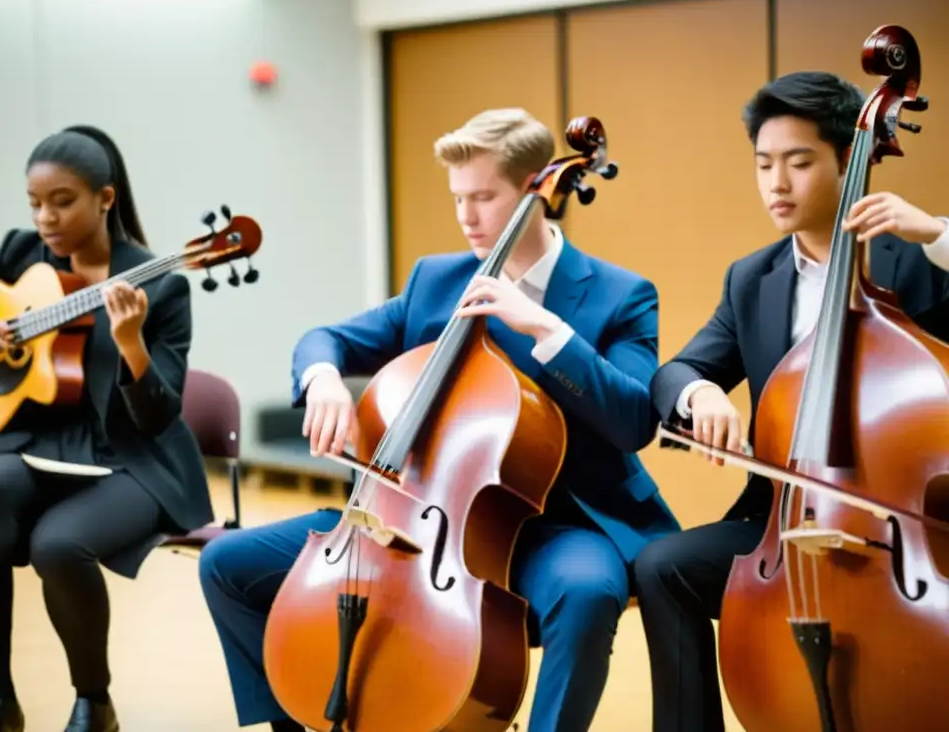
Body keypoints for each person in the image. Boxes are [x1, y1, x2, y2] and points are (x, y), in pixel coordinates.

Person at [199, 107, 681, 731]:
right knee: (226, 566)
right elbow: (325, 339)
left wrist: (544, 327)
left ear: (541, 188)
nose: (467, 217)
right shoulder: (437, 279)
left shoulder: (620, 294)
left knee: (588, 594)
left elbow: (632, 419)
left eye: (484, 197)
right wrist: (322, 380)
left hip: (555, 523)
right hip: (416, 513)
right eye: (458, 198)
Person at [632, 70, 949, 732]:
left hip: (910, 527)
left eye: (799, 162)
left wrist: (938, 234)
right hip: (788, 519)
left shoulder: (916, 259)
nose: (777, 183)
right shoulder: (753, 279)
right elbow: (678, 370)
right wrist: (700, 391)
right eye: (764, 164)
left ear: (846, 159)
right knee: (663, 568)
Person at [0, 126, 215, 732]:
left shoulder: (161, 284)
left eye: (62, 201)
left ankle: (94, 700)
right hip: (40, 449)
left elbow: (158, 415)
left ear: (105, 199)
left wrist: (132, 345)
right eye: (34, 203)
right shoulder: (21, 257)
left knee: (58, 545)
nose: (45, 217)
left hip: (131, 460)